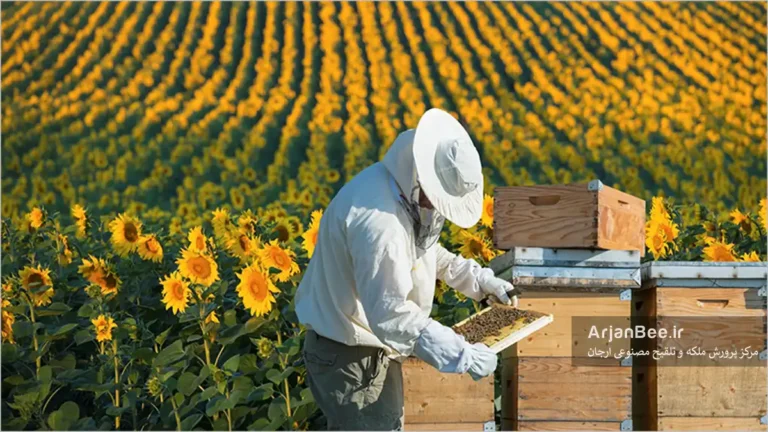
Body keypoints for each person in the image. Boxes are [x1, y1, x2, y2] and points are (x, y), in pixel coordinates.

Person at [295, 108, 517, 430]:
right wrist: (461, 354)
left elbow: (422, 252)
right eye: (437, 198)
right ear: (423, 176)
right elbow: (391, 313)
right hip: (352, 356)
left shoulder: (394, 187)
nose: (435, 207)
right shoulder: (380, 223)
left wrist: (478, 280)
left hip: (362, 350)